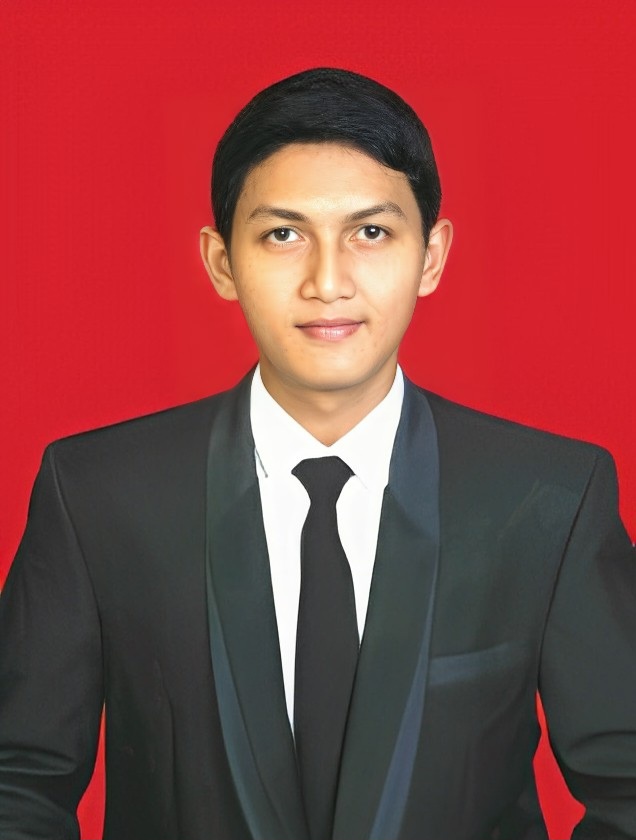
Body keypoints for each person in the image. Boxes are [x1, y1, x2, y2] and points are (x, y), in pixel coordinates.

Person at [0, 67, 635, 840]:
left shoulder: (550, 498)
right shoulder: (97, 495)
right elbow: (17, 782)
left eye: (371, 233)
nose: (328, 282)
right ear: (221, 261)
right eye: (283, 234)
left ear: (431, 256)